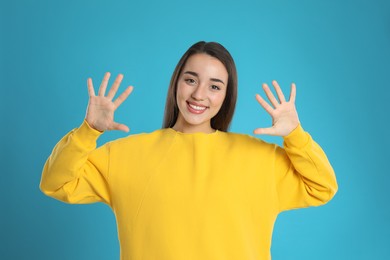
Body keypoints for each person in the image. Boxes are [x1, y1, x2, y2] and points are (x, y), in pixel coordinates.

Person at [40, 41, 338, 260]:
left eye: (214, 86)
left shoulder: (260, 159)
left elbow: (322, 187)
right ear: (176, 84)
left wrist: (296, 136)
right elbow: (56, 183)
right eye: (191, 80)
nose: (198, 94)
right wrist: (88, 130)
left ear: (226, 95)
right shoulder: (125, 155)